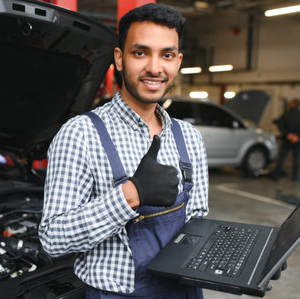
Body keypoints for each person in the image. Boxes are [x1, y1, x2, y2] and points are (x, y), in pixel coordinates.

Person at [39, 4, 209, 298]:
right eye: (140, 53)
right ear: (119, 58)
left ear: (178, 61)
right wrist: (130, 195)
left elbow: (197, 222)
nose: (155, 68)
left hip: (184, 292)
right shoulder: (81, 134)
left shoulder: (190, 137)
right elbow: (53, 239)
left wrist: (243, 261)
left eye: (167, 55)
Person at [272, 98, 300, 182]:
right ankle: (295, 177)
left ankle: (276, 175)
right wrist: (297, 136)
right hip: (298, 140)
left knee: (282, 158)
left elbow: (280, 125)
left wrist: (288, 134)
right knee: (296, 159)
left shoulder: (286, 114)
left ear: (293, 104)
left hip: (287, 140)